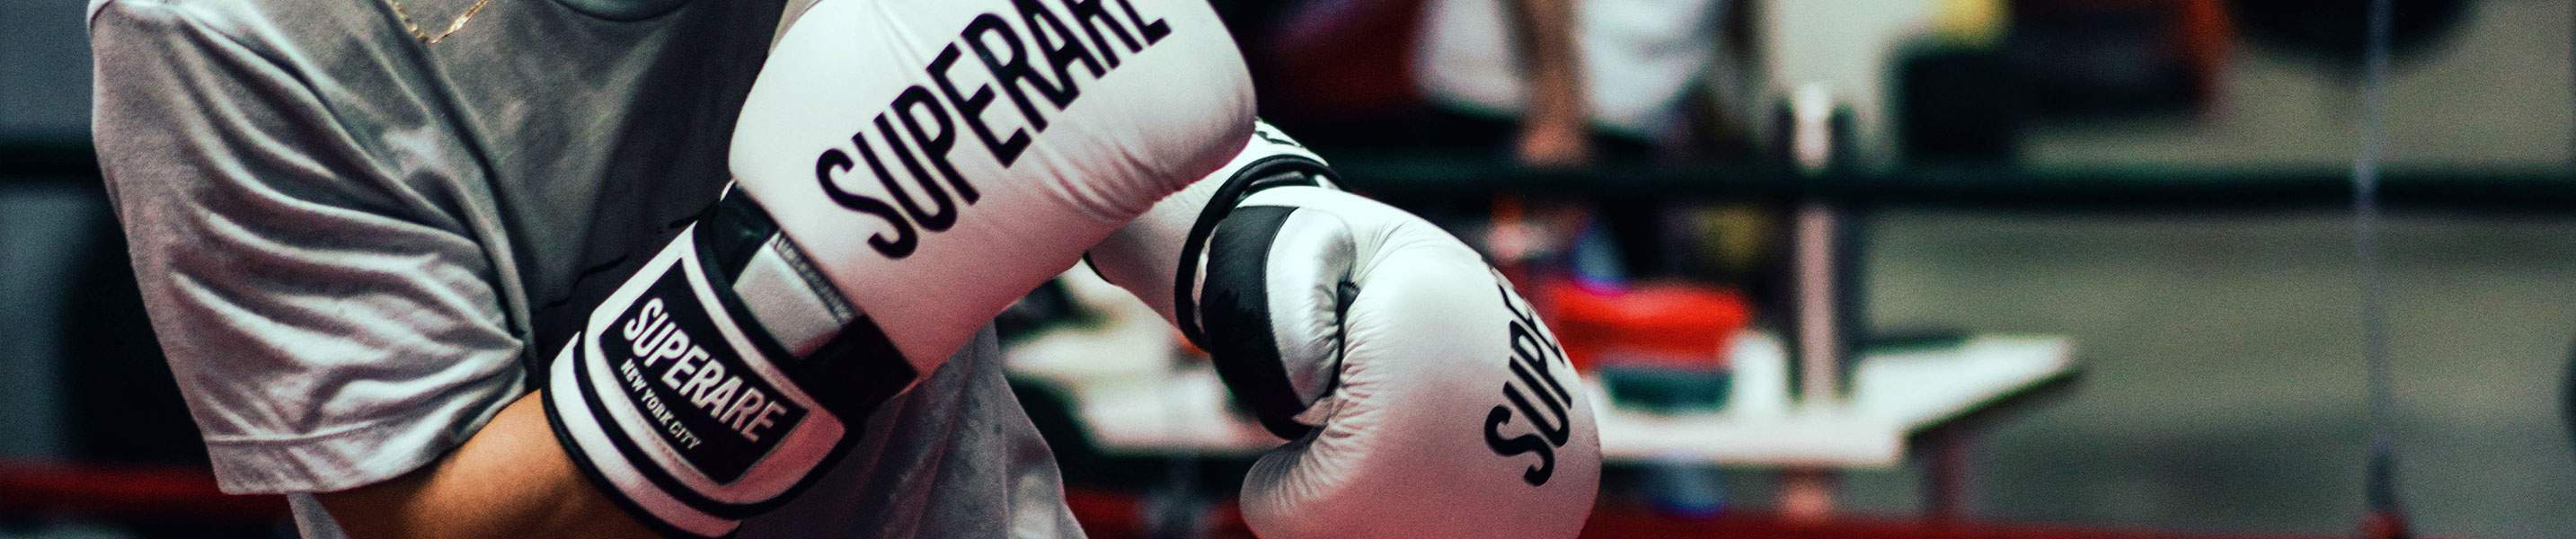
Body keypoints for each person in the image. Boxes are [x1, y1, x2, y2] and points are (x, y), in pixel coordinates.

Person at [91, 0, 1598, 535]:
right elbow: (438, 525)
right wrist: (798, 291)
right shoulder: (229, 30)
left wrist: (1252, 230)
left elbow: (1007, 66)